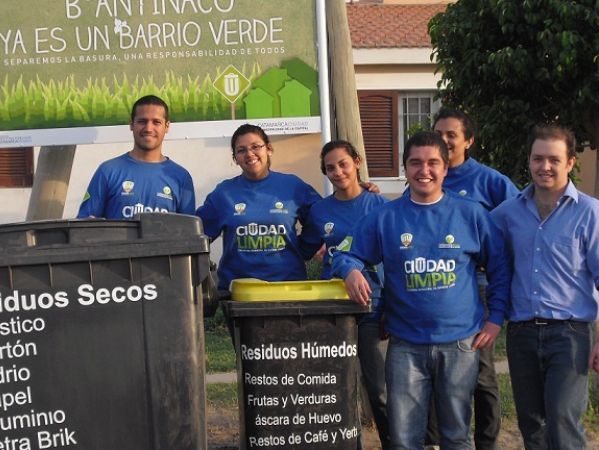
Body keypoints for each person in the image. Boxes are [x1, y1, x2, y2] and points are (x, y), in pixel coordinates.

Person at [333, 131, 511, 450]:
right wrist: (351, 270)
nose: (423, 170)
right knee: (404, 440)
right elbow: (345, 253)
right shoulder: (386, 217)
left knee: (456, 435)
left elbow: (500, 267)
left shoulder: (470, 214)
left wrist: (496, 317)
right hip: (406, 346)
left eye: (432, 163)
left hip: (460, 344)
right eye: (415, 162)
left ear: (445, 169)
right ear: (405, 168)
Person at [491, 124, 599, 450]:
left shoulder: (593, 214)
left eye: (553, 159)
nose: (544, 166)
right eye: (538, 158)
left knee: (563, 422)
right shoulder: (507, 214)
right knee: (531, 425)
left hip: (569, 335)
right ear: (529, 161)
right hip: (521, 334)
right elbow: (467, 232)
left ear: (569, 163)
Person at [425, 108, 519, 450]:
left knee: (481, 374)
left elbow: (521, 221)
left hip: (476, 293)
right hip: (434, 290)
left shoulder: (490, 181)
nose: (445, 140)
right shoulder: (428, 174)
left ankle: (486, 442)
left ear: (469, 140)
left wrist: (492, 257)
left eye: (452, 134)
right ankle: (436, 441)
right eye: (440, 133)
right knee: (435, 369)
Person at [300, 140, 390, 447]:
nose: (337, 172)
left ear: (357, 162)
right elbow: (302, 248)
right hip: (331, 308)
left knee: (378, 388)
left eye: (343, 164)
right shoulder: (319, 211)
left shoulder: (379, 204)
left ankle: (392, 442)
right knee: (337, 387)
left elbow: (393, 257)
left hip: (371, 306)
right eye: (329, 168)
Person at [195, 124, 322, 291]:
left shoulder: (293, 186)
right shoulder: (224, 193)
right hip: (239, 292)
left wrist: (304, 249)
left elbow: (324, 215)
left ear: (269, 149)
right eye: (241, 150)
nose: (249, 154)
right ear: (235, 158)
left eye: (256, 147)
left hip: (288, 287)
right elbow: (197, 233)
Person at [77, 95, 195, 218]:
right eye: (142, 121)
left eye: (156, 122)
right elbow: (85, 227)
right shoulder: (108, 171)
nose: (149, 128)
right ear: (131, 124)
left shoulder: (181, 177)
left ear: (167, 126)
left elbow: (188, 233)